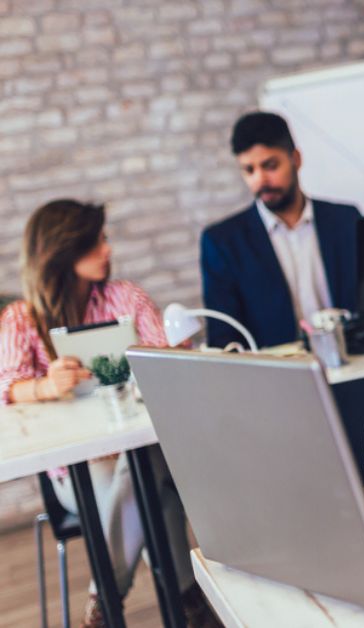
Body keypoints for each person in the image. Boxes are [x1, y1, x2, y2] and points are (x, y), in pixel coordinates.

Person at [0, 200, 210, 626]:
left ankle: (105, 600)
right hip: (76, 466)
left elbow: (162, 358)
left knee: (143, 465)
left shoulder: (125, 298)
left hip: (134, 447)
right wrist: (44, 385)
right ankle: (191, 603)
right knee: (154, 491)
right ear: (64, 252)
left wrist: (172, 354)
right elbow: (6, 386)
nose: (108, 249)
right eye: (97, 242)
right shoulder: (22, 319)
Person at [200, 111, 361, 349]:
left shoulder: (346, 219)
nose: (260, 180)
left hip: (353, 362)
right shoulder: (222, 242)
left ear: (295, 159)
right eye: (249, 170)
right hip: (277, 379)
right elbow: (224, 336)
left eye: (270, 165)